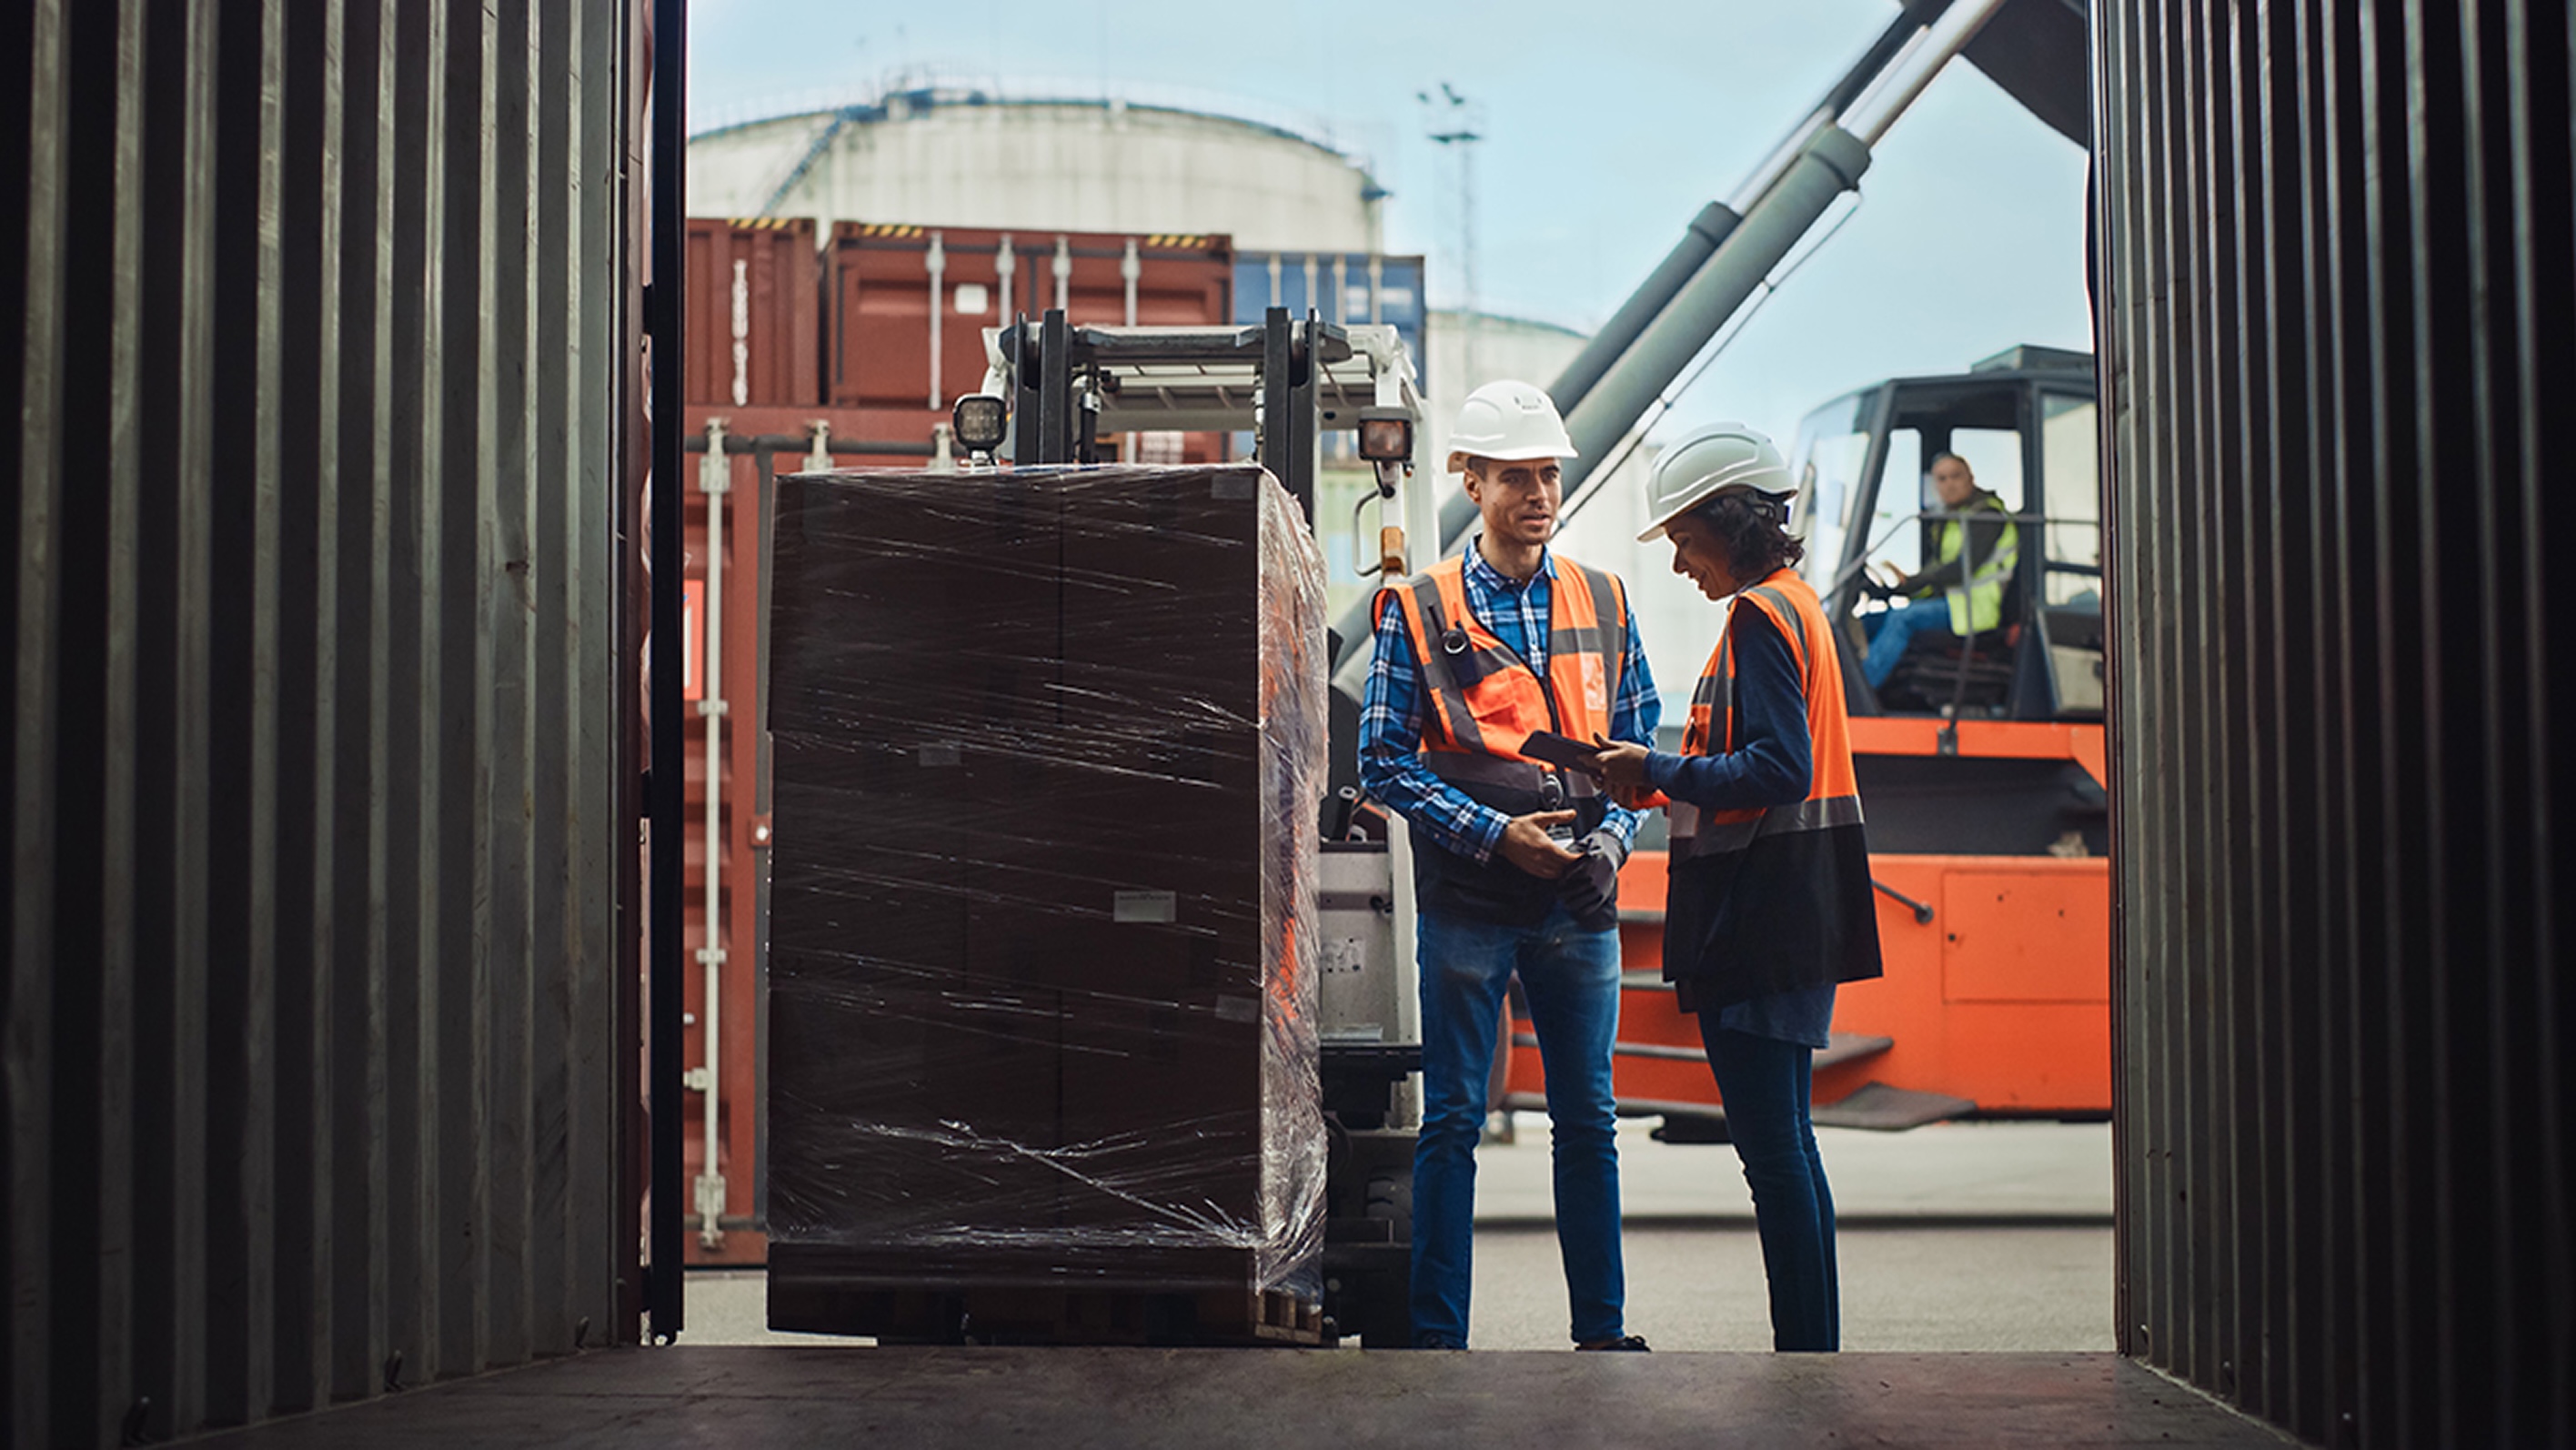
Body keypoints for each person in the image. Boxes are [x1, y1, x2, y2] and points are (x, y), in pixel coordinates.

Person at [1359, 378, 1658, 1353]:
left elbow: (1642, 745)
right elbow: (1382, 762)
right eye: (1516, 476)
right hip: (1470, 900)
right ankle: (1441, 1335)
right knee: (1452, 1121)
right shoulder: (1418, 605)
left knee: (1589, 1121)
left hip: (1579, 899)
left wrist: (1609, 844)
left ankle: (1602, 1333)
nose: (1538, 492)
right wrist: (1495, 834)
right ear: (1470, 481)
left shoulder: (1605, 600)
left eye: (1547, 473)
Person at [1591, 422, 1884, 1353]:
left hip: (1762, 911)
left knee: (1773, 1154)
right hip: (1800, 901)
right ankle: (1813, 1349)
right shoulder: (1799, 604)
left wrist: (1658, 765)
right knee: (1790, 1147)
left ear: (1730, 521)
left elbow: (1777, 768)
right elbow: (1764, 763)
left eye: (1683, 537)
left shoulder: (1760, 616)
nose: (1678, 562)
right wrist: (1663, 770)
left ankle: (1805, 1356)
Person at [1859, 451, 2019, 689]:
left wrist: (1913, 582)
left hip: (1976, 608)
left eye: (1956, 477)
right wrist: (1897, 591)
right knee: (1868, 621)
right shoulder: (1952, 519)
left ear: (1970, 478)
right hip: (1955, 602)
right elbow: (1938, 571)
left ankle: (1859, 691)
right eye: (1941, 479)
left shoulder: (1986, 516)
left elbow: (1959, 570)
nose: (1949, 485)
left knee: (1903, 619)